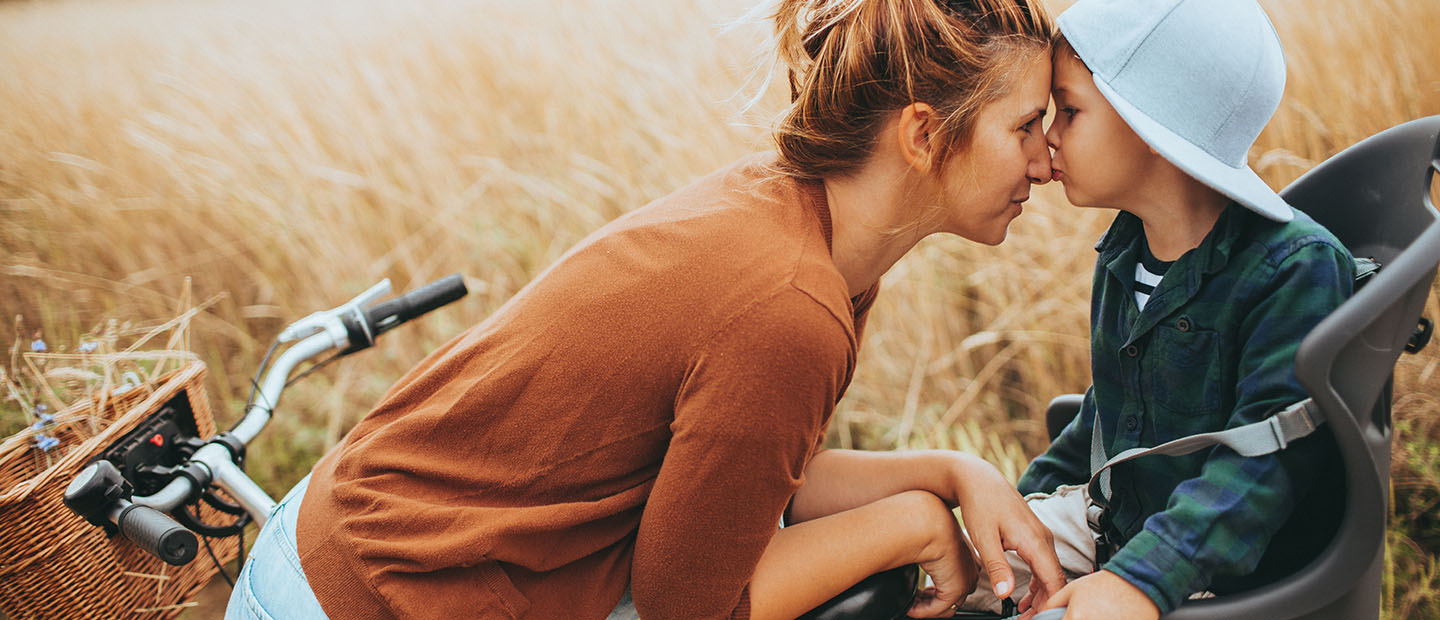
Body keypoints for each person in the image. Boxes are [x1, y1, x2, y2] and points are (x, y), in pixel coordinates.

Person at [225, 1, 1071, 619]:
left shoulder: (798, 225)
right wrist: (913, 524)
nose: (1045, 161)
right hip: (367, 595)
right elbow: (690, 611)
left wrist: (960, 474)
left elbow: (738, 486)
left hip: (339, 544)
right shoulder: (789, 306)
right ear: (924, 135)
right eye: (1027, 126)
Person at [955, 1, 1354, 619]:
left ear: (1154, 126)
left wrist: (1138, 580)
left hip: (1216, 562)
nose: (1049, 135)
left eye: (1070, 110)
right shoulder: (1124, 253)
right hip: (1119, 525)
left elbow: (1268, 465)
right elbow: (1105, 415)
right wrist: (1018, 508)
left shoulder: (1294, 271)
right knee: (942, 566)